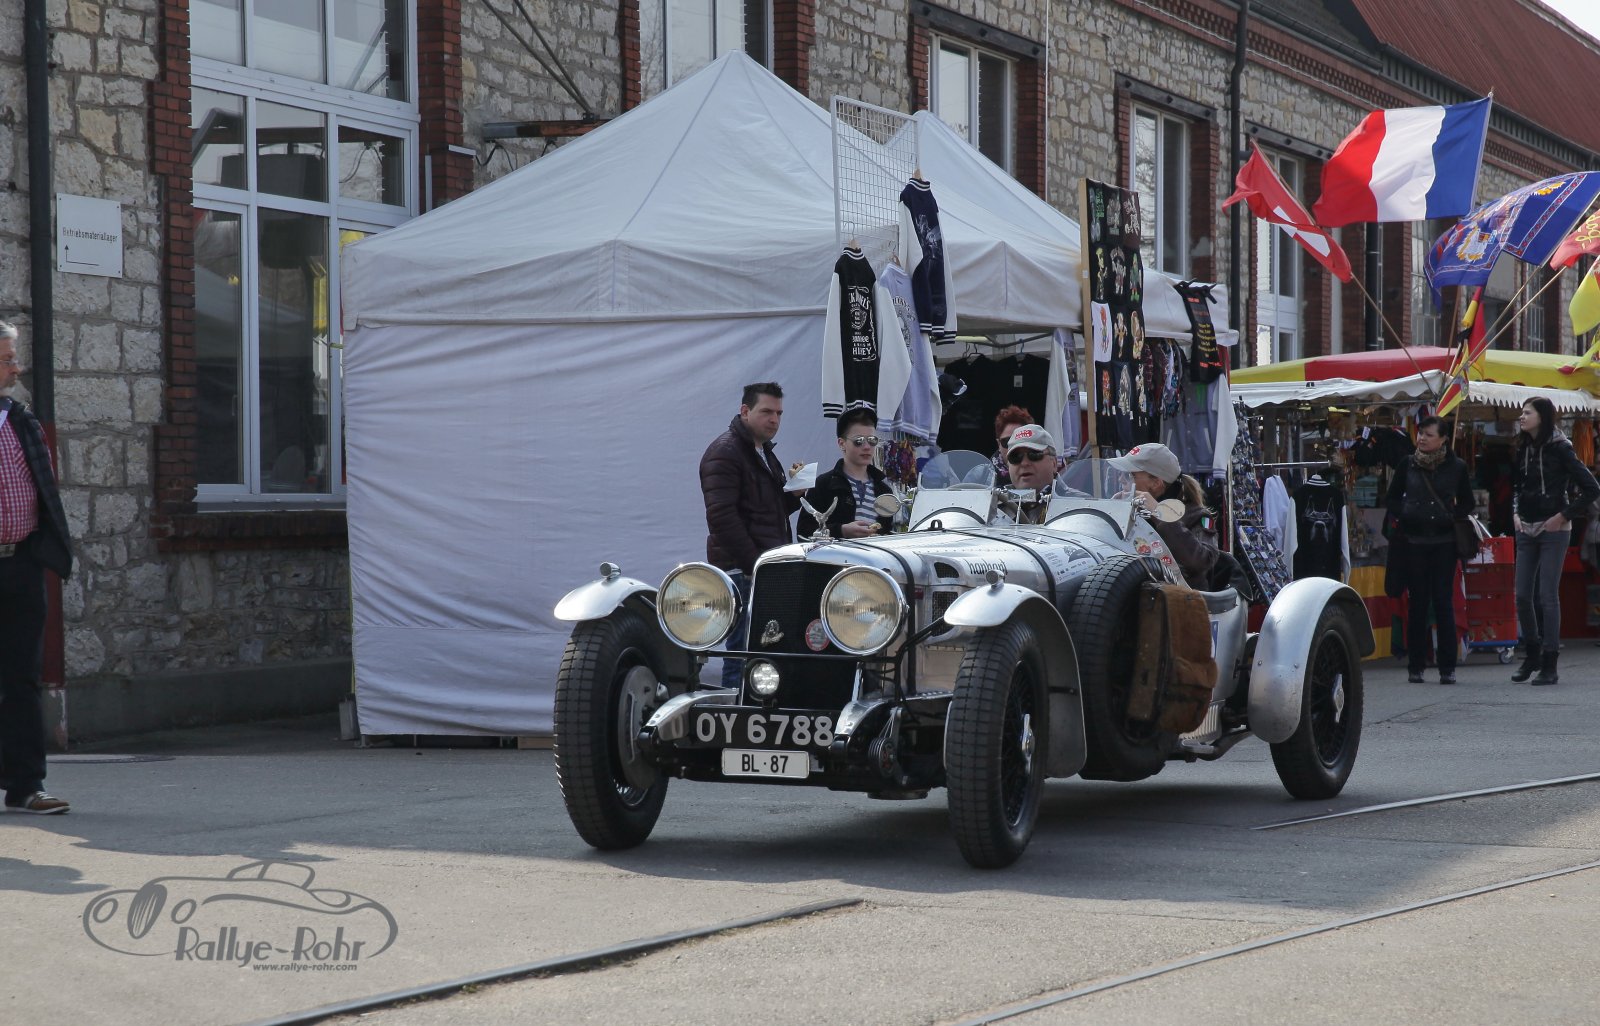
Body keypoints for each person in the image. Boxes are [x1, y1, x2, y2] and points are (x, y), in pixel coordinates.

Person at [0, 322, 74, 814]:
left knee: (22, 677)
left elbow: (45, 489)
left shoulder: (19, 420)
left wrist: (49, 548)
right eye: (8, 359)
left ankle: (27, 786)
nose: (17, 367)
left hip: (21, 562)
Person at [699, 382, 802, 687]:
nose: (774, 419)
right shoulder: (725, 452)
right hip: (744, 571)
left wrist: (795, 495)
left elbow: (768, 512)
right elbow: (721, 518)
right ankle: (733, 708)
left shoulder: (762, 452)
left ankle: (756, 706)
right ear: (745, 411)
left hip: (762, 568)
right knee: (742, 653)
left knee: (764, 650)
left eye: (779, 413)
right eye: (767, 411)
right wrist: (755, 564)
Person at [1509, 397, 1600, 686]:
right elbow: (1516, 486)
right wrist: (1515, 513)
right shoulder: (1522, 447)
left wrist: (1562, 516)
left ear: (1543, 417)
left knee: (1547, 595)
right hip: (1525, 527)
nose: (1521, 417)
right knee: (1522, 595)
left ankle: (1550, 662)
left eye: (1527, 413)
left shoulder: (1562, 448)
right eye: (1521, 412)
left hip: (1554, 529)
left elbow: (1591, 488)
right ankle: (1532, 653)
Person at [1385, 416, 1475, 686]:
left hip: (1444, 543)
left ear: (1444, 439)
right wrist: (1407, 512)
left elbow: (1468, 502)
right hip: (1413, 542)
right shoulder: (1407, 464)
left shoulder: (1457, 467)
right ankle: (1416, 665)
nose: (1422, 438)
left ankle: (1447, 667)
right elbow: (1391, 498)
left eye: (1429, 434)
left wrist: (1450, 516)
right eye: (1420, 433)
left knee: (1443, 603)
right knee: (1418, 604)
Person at [1107, 442, 1220, 591]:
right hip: (1129, 592)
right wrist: (1112, 511)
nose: (1120, 479)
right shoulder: (1131, 508)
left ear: (1156, 483)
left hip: (1180, 599)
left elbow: (1202, 561)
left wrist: (1160, 514)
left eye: (1129, 475)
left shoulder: (1198, 516)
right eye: (1121, 474)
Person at [798, 409, 895, 540]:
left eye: (872, 440)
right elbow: (803, 532)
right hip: (836, 554)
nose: (867, 447)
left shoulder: (884, 490)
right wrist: (841, 530)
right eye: (859, 441)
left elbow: (887, 532)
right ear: (841, 443)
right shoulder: (824, 484)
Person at [999, 423, 1060, 524]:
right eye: (1015, 457)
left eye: (1034, 454)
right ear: (1008, 466)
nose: (1024, 463)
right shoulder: (993, 508)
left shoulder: (1077, 503)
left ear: (1054, 463)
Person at [990, 405, 1035, 484]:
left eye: (1020, 441)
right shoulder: (982, 474)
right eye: (1007, 441)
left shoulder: (1042, 469)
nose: (1013, 447)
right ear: (999, 444)